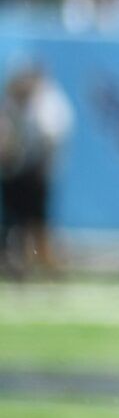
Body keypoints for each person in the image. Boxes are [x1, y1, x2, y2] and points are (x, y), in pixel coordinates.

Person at [0, 63, 74, 279]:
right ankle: (18, 265)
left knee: (38, 224)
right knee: (15, 222)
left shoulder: (48, 103)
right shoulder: (11, 101)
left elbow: (49, 137)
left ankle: (49, 267)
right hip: (13, 171)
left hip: (37, 173)